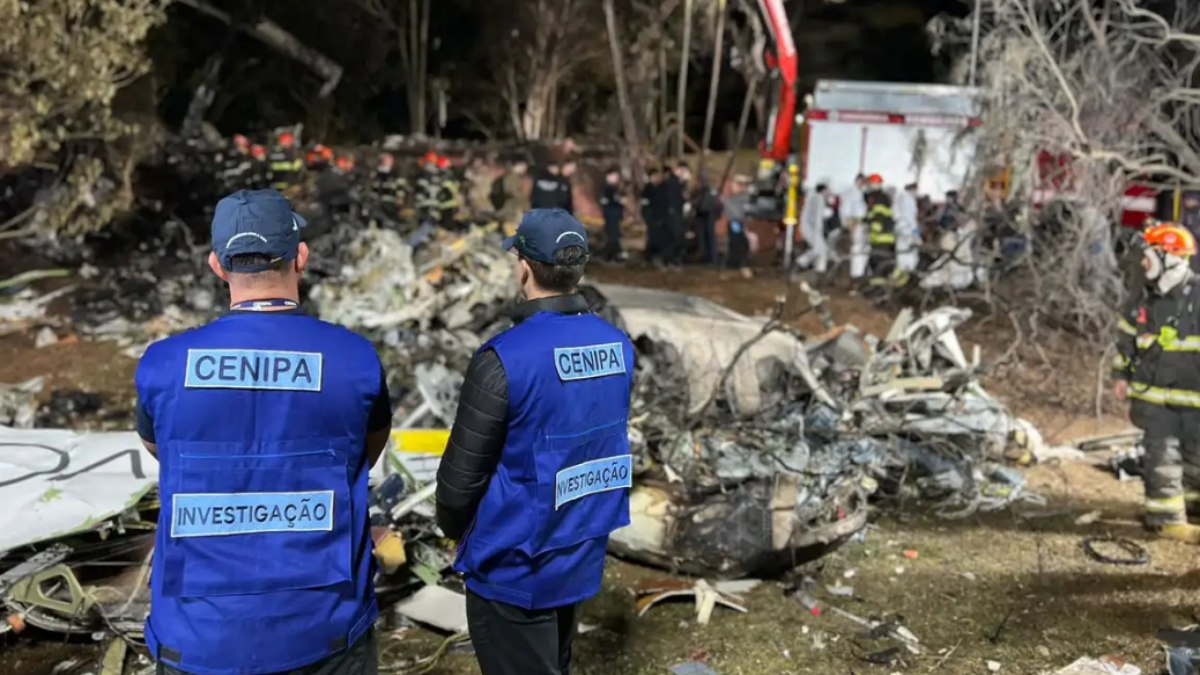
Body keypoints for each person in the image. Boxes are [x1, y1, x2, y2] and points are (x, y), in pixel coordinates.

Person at [134, 189, 391, 674]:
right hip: (324, 631)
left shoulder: (162, 365)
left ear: (217, 265)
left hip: (198, 637)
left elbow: (160, 448)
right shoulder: (354, 359)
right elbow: (367, 452)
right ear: (301, 257)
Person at [436, 208, 634, 675]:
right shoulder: (617, 346)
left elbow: (459, 483)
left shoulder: (505, 358)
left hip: (512, 566)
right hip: (576, 551)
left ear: (523, 266)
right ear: (578, 269)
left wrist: (454, 530)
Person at [1113, 223, 1200, 542]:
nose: (1144, 263)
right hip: (1157, 402)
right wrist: (1121, 376)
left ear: (1172, 258)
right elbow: (1126, 341)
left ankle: (1189, 505)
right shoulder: (1143, 300)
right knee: (1161, 455)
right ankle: (1165, 519)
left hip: (1193, 400)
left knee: (1195, 457)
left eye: (1149, 256)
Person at [862, 174, 896, 297]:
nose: (869, 186)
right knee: (876, 263)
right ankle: (878, 289)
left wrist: (873, 232)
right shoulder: (878, 198)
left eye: (870, 183)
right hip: (883, 238)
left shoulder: (879, 198)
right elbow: (872, 216)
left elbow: (878, 218)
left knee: (880, 264)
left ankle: (880, 291)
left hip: (881, 238)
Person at [797, 183, 830, 274]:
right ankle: (806, 264)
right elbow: (818, 217)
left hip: (808, 227)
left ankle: (813, 266)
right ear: (823, 190)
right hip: (812, 228)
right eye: (827, 191)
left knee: (820, 249)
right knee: (821, 249)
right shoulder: (819, 199)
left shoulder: (812, 197)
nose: (829, 193)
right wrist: (819, 231)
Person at [841, 174, 869, 282]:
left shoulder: (860, 193)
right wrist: (850, 225)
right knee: (857, 250)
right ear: (857, 180)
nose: (863, 184)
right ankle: (855, 276)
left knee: (865, 249)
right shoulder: (850, 193)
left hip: (862, 224)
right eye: (862, 181)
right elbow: (846, 211)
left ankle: (860, 274)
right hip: (855, 223)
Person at [724, 176, 753, 278]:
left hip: (736, 222)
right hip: (734, 222)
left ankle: (733, 263)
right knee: (739, 242)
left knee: (737, 242)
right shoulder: (733, 199)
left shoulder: (739, 198)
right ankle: (736, 263)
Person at [663, 164, 690, 267]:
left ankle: (675, 258)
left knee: (679, 236)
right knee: (674, 236)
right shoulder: (672, 182)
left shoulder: (680, 183)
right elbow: (674, 197)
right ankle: (670, 258)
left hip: (678, 212)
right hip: (673, 213)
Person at [691, 174, 721, 265]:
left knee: (710, 237)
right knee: (702, 237)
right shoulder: (697, 191)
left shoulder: (710, 191)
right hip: (700, 215)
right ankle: (705, 255)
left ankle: (712, 257)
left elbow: (716, 203)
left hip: (708, 215)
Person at [893, 182, 921, 278]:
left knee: (901, 251)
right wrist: (915, 232)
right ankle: (908, 273)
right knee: (910, 252)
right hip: (907, 229)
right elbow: (910, 217)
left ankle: (901, 272)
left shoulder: (898, 197)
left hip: (901, 228)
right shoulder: (908, 199)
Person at [640, 167, 668, 265]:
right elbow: (644, 206)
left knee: (660, 237)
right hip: (651, 218)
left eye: (658, 176)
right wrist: (648, 218)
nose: (657, 178)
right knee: (652, 237)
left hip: (661, 217)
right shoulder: (647, 189)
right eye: (654, 176)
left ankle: (656, 255)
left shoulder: (662, 188)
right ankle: (650, 256)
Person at [600, 167, 625, 263]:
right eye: (614, 175)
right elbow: (606, 201)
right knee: (612, 235)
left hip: (616, 214)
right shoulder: (606, 189)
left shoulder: (616, 188)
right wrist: (618, 200)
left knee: (615, 235)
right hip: (610, 215)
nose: (616, 178)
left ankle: (612, 255)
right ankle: (610, 255)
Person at [496, 159, 530, 225]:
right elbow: (513, 193)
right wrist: (525, 205)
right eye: (524, 166)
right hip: (514, 211)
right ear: (518, 165)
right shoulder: (511, 177)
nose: (525, 169)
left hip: (514, 210)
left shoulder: (514, 177)